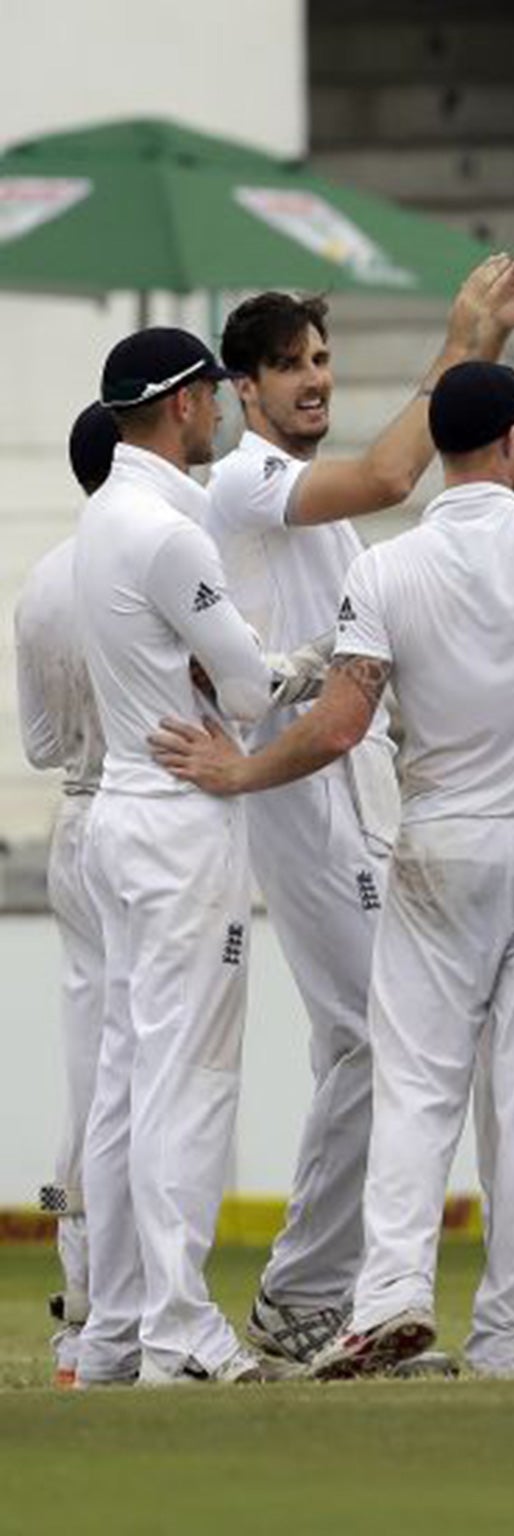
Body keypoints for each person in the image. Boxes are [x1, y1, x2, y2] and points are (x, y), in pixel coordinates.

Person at [150, 225, 514, 1380]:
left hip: (439, 848)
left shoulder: (388, 564)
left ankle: (388, 1295)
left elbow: (335, 725)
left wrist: (237, 772)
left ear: (446, 449)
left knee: (417, 1083)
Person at [202, 256, 514, 1369]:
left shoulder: (322, 518)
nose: (313, 381)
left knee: (371, 1042)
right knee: (367, 1037)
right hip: (294, 794)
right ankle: (308, 1295)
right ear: (240, 389)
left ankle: (333, 1293)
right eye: (290, 367)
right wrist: (465, 340)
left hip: (353, 790)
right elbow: (396, 473)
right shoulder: (244, 479)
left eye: (320, 360)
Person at [72, 328, 286, 1387]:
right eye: (211, 392)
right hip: (177, 821)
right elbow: (247, 691)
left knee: (125, 1083)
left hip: (121, 810)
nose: (219, 407)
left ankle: (115, 1331)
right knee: (186, 1082)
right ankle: (178, 1335)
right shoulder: (164, 529)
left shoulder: (104, 514)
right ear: (186, 405)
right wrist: (298, 665)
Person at [15, 403, 119, 1387]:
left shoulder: (43, 578)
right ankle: (132, 1310)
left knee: (88, 1066)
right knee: (155, 1070)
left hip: (75, 827)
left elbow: (40, 748)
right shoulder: (154, 555)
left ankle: (83, 1308)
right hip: (145, 822)